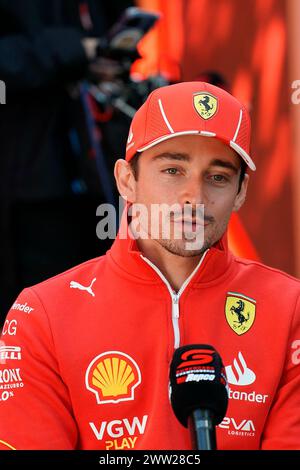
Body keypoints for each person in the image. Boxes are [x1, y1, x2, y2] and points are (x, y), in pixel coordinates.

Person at [0, 81, 300, 450]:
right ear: (127, 180)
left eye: (218, 177)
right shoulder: (41, 314)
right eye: (173, 170)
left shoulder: (289, 308)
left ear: (240, 193)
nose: (195, 196)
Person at [0, 0, 133, 325]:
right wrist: (75, 49)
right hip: (30, 183)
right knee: (39, 319)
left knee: (98, 311)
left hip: (100, 177)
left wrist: (111, 54)